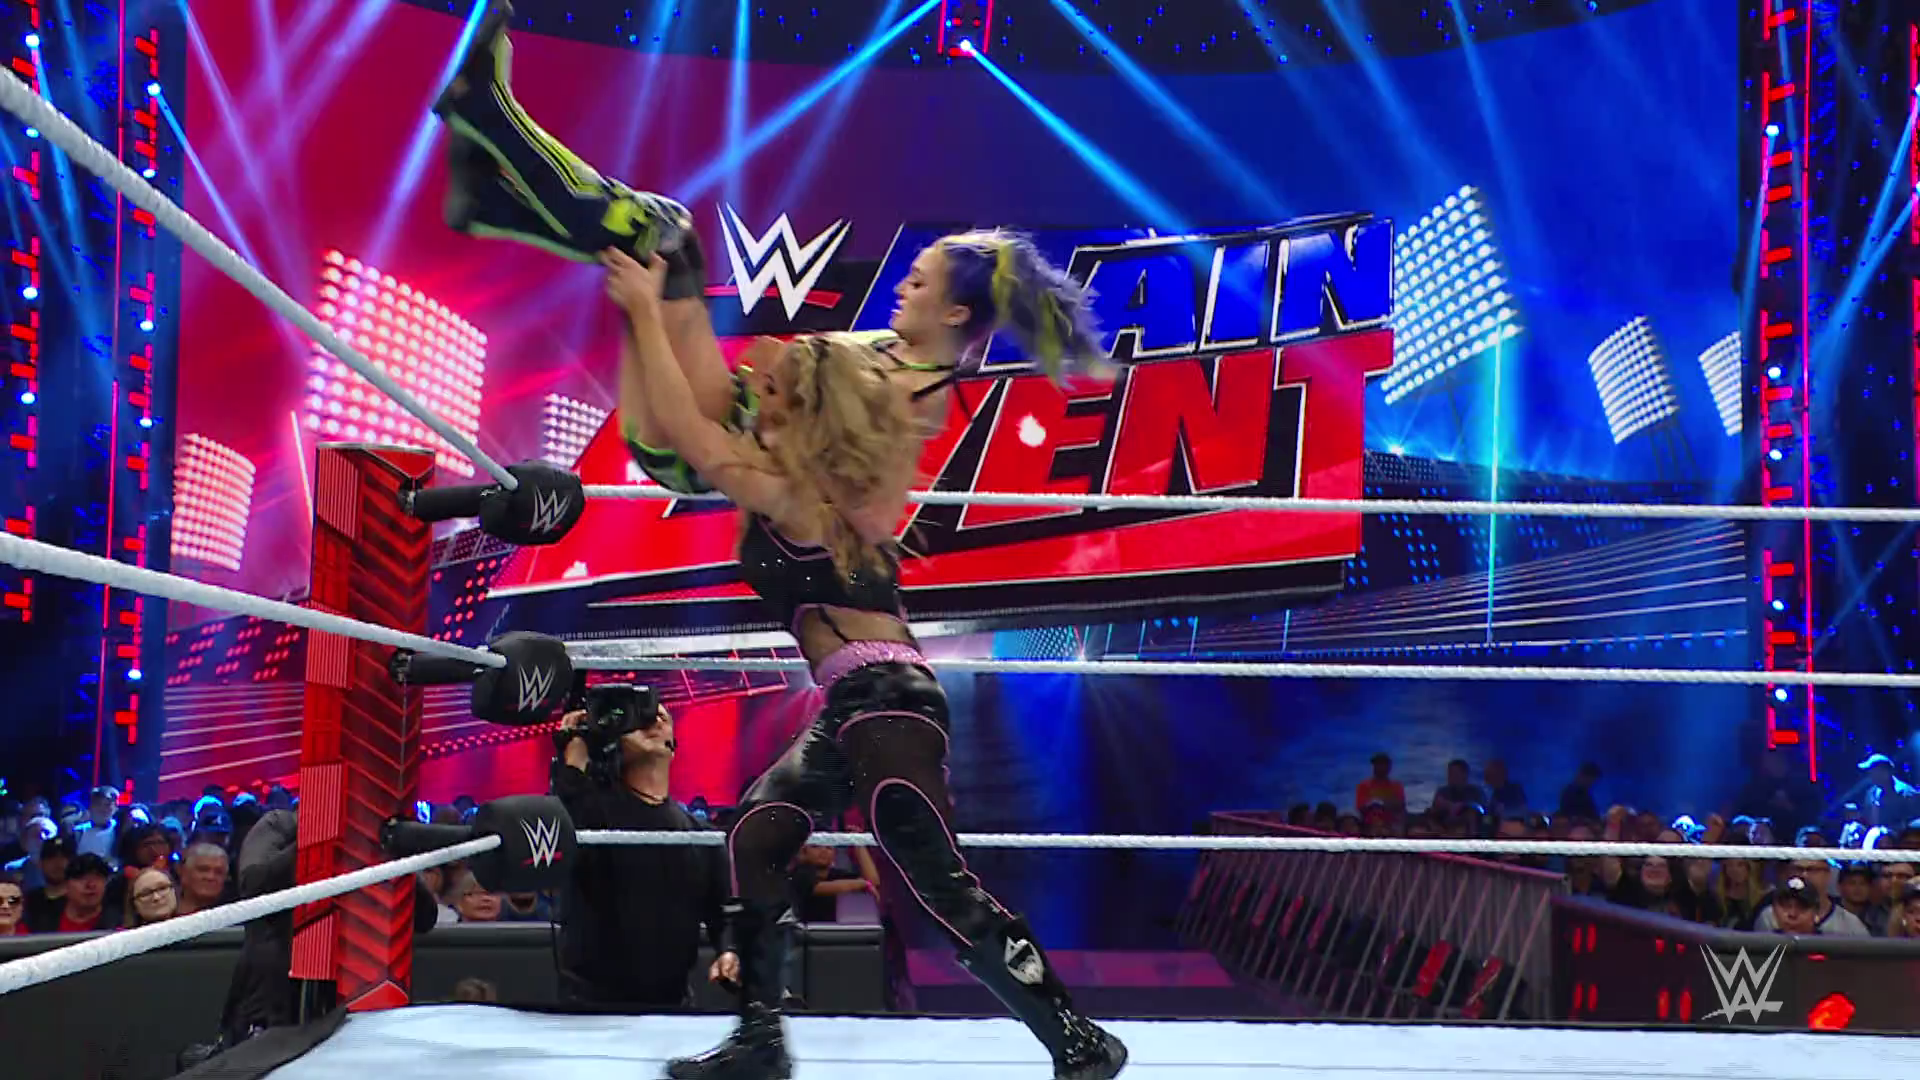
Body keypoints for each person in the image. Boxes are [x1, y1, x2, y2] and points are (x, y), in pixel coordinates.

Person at [600, 252, 1125, 1080]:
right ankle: (760, 1040)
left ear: (802, 409)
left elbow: (689, 430)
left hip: (890, 699)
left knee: (933, 875)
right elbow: (692, 418)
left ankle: (1077, 1039)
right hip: (851, 703)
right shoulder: (793, 474)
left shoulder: (800, 494)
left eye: (771, 388)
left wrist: (641, 310)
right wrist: (668, 310)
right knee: (756, 831)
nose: (754, 389)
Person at [431, 1, 1102, 503]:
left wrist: (659, 323)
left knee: (655, 237)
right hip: (711, 404)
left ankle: (487, 120)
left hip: (692, 440)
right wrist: (773, 374)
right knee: (664, 233)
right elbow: (773, 377)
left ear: (956, 313)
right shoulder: (898, 355)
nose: (903, 287)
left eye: (921, 284)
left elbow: (777, 457)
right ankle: (489, 201)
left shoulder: (914, 398)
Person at [551, 699, 732, 1009]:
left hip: (672, 1008)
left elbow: (724, 913)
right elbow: (562, 824)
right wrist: (576, 748)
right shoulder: (591, 811)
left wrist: (729, 951)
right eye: (639, 718)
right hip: (591, 1010)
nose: (653, 722)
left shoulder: (701, 836)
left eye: (660, 716)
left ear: (673, 745)